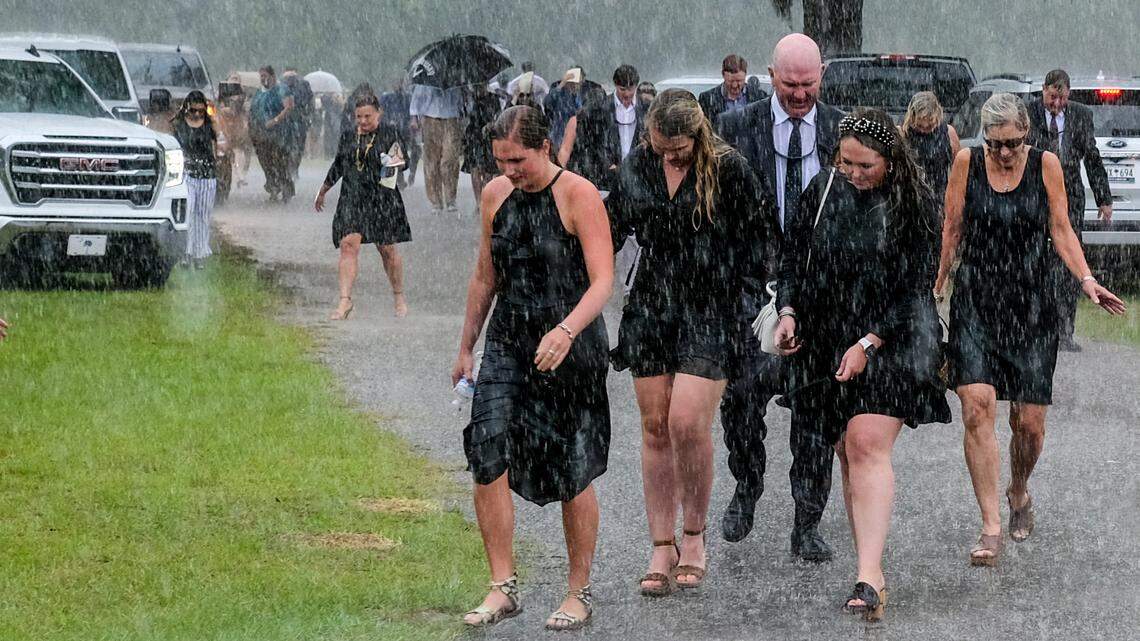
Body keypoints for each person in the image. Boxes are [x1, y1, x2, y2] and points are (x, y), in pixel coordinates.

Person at [934, 93, 1126, 567]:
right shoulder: (966, 163)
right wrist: (936, 286)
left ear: (1027, 134)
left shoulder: (1046, 165)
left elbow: (1061, 228)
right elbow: (952, 228)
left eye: (1013, 143)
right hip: (977, 302)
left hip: (1033, 305)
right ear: (984, 138)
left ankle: (1018, 489)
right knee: (977, 407)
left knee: (1029, 425)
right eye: (995, 143)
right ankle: (990, 526)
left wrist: (1086, 279)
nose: (1003, 152)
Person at [776, 109, 951, 621]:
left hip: (895, 337)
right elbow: (792, 258)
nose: (852, 172)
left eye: (865, 165)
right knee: (847, 452)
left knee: (866, 443)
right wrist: (788, 311)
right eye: (845, 161)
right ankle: (868, 565)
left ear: (890, 160)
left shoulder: (915, 203)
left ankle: (869, 576)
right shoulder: (822, 189)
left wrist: (869, 342)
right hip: (829, 337)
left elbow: (915, 287)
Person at [451, 105, 613, 630]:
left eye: (517, 160)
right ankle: (502, 586)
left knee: (572, 465)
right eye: (501, 161)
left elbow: (603, 281)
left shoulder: (578, 195)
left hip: (570, 341)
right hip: (509, 339)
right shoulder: (495, 195)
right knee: (486, 446)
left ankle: (578, 590)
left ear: (545, 147)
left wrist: (566, 330)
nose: (509, 171)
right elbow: (485, 276)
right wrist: (466, 345)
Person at [608, 89, 770, 596]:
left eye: (679, 150)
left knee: (686, 422)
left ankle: (695, 535)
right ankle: (662, 543)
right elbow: (610, 227)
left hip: (712, 307)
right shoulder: (639, 166)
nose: (670, 157)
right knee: (655, 426)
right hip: (653, 304)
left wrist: (749, 300)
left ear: (697, 135)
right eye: (662, 148)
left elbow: (760, 241)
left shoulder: (729, 168)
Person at [715, 33, 843, 557]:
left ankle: (807, 522)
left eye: (809, 84)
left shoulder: (840, 130)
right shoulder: (733, 129)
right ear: (770, 77)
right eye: (790, 84)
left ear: (822, 77)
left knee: (815, 413)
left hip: (818, 293)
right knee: (741, 399)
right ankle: (747, 483)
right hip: (750, 288)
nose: (799, 94)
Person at [1027, 69, 1114, 352]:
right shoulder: (1027, 112)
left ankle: (1065, 331)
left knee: (1070, 262)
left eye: (1062, 98)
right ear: (1044, 90)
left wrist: (1104, 198)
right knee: (1035, 259)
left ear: (1069, 95)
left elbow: (1092, 158)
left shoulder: (1080, 115)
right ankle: (1034, 327)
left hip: (1070, 196)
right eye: (1052, 97)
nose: (1057, 104)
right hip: (1035, 195)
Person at [314, 94, 411, 320]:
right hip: (352, 196)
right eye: (359, 117)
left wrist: (393, 162)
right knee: (348, 245)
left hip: (382, 197)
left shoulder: (390, 133)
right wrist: (324, 189)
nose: (363, 121)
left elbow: (404, 162)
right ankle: (345, 300)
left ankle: (398, 296)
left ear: (379, 113)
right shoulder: (349, 135)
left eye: (368, 116)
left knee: (387, 249)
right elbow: (339, 164)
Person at [562, 65, 646, 191]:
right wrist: (607, 163)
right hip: (605, 177)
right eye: (622, 89)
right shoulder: (599, 109)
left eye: (630, 89)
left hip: (638, 176)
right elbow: (590, 142)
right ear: (615, 85)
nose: (627, 94)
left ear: (636, 86)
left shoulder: (646, 109)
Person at [171, 90, 219, 269]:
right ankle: (186, 252)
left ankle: (199, 254)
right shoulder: (178, 125)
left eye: (201, 111)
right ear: (186, 108)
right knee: (188, 212)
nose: (197, 114)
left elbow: (219, 144)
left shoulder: (210, 125)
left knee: (203, 215)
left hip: (207, 176)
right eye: (193, 110)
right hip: (187, 175)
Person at [410, 84, 465, 214]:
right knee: (431, 163)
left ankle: (450, 199)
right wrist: (414, 118)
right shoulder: (426, 78)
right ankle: (436, 201)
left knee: (449, 160)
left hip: (451, 119)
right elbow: (416, 98)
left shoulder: (455, 79)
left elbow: (461, 101)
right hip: (430, 119)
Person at [901, 91, 960, 206]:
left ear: (937, 116)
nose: (924, 130)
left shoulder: (949, 133)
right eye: (919, 126)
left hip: (940, 198)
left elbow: (959, 172)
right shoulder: (902, 134)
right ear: (911, 117)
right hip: (910, 199)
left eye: (929, 127)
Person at [249, 66, 295, 203]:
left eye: (265, 76)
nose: (262, 79)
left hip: (279, 133)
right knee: (266, 162)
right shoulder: (259, 92)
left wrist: (275, 120)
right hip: (261, 134)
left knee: (280, 162)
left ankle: (286, 189)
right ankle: (273, 187)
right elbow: (253, 109)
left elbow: (289, 107)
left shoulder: (281, 89)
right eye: (261, 76)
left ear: (272, 76)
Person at [462, 83, 502, 213]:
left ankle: (485, 198)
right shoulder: (469, 99)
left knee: (488, 171)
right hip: (473, 136)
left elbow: (498, 116)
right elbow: (464, 116)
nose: (479, 89)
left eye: (481, 86)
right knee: (474, 169)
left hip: (488, 137)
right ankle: (478, 201)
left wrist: (491, 125)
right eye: (476, 87)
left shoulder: (493, 99)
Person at [698, 54, 767, 126]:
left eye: (739, 81)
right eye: (730, 81)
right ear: (723, 75)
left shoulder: (760, 97)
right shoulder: (706, 99)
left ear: (745, 75)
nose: (734, 85)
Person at [544, 67, 603, 150]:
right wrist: (561, 84)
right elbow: (547, 103)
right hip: (560, 138)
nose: (575, 86)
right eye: (572, 83)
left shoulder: (585, 93)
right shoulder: (559, 93)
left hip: (579, 141)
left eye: (578, 83)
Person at [381, 78, 421, 188]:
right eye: (395, 82)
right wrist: (388, 121)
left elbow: (414, 112)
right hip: (393, 130)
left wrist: (412, 122)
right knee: (396, 152)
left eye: (399, 82)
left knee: (416, 150)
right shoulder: (386, 98)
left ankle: (412, 172)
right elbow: (381, 113)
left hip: (407, 130)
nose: (397, 85)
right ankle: (400, 178)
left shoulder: (408, 97)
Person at [282, 68, 314, 179]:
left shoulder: (304, 85)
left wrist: (308, 116)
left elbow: (310, 101)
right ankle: (288, 169)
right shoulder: (281, 85)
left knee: (299, 146)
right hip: (286, 119)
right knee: (287, 146)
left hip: (299, 119)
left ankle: (294, 168)